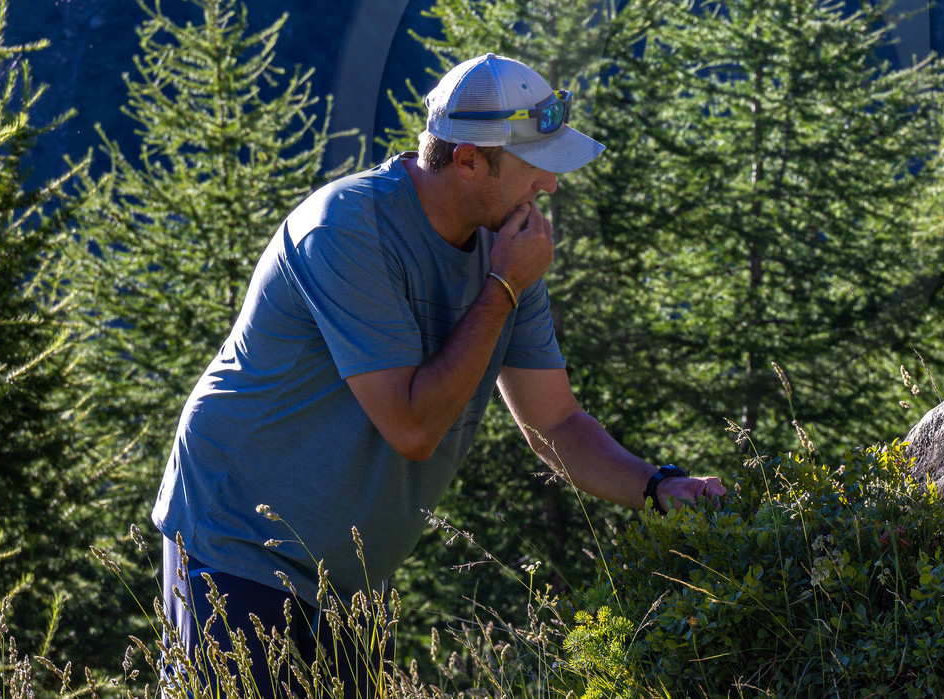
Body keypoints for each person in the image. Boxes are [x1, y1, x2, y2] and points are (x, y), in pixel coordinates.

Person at [152, 52, 727, 695]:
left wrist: (656, 487)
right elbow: (412, 427)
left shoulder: (507, 247)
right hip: (237, 546)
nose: (552, 185)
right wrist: (504, 285)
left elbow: (557, 423)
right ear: (469, 162)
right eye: (536, 165)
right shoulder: (346, 230)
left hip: (350, 581)